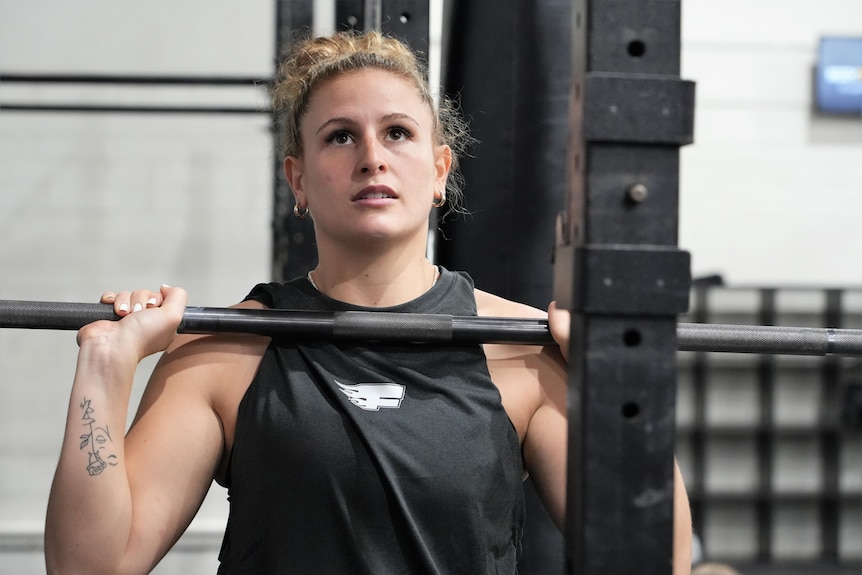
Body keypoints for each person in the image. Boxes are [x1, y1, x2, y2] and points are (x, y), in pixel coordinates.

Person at [44, 30, 692, 574]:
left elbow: (655, 561)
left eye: (398, 133)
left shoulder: (516, 348)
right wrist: (106, 366)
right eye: (339, 137)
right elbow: (88, 566)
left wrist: (618, 386)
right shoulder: (225, 350)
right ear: (298, 178)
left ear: (440, 171)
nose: (372, 158)